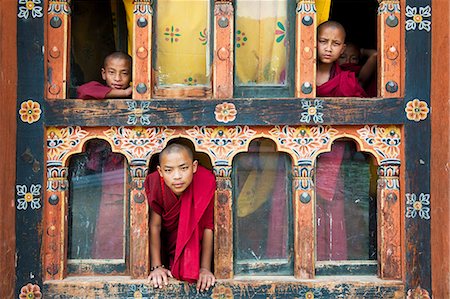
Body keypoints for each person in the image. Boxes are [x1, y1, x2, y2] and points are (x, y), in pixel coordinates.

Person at [144, 143, 216, 292]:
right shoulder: (155, 182)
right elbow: (154, 226)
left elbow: (208, 227)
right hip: (165, 249)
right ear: (160, 171)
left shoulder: (205, 181)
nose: (177, 176)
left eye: (184, 168)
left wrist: (205, 268)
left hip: (196, 251)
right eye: (169, 170)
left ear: (194, 166)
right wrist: (157, 266)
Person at [316, 21, 367, 97]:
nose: (328, 49)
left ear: (342, 49)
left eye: (336, 44)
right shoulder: (299, 74)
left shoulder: (347, 80)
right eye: (323, 41)